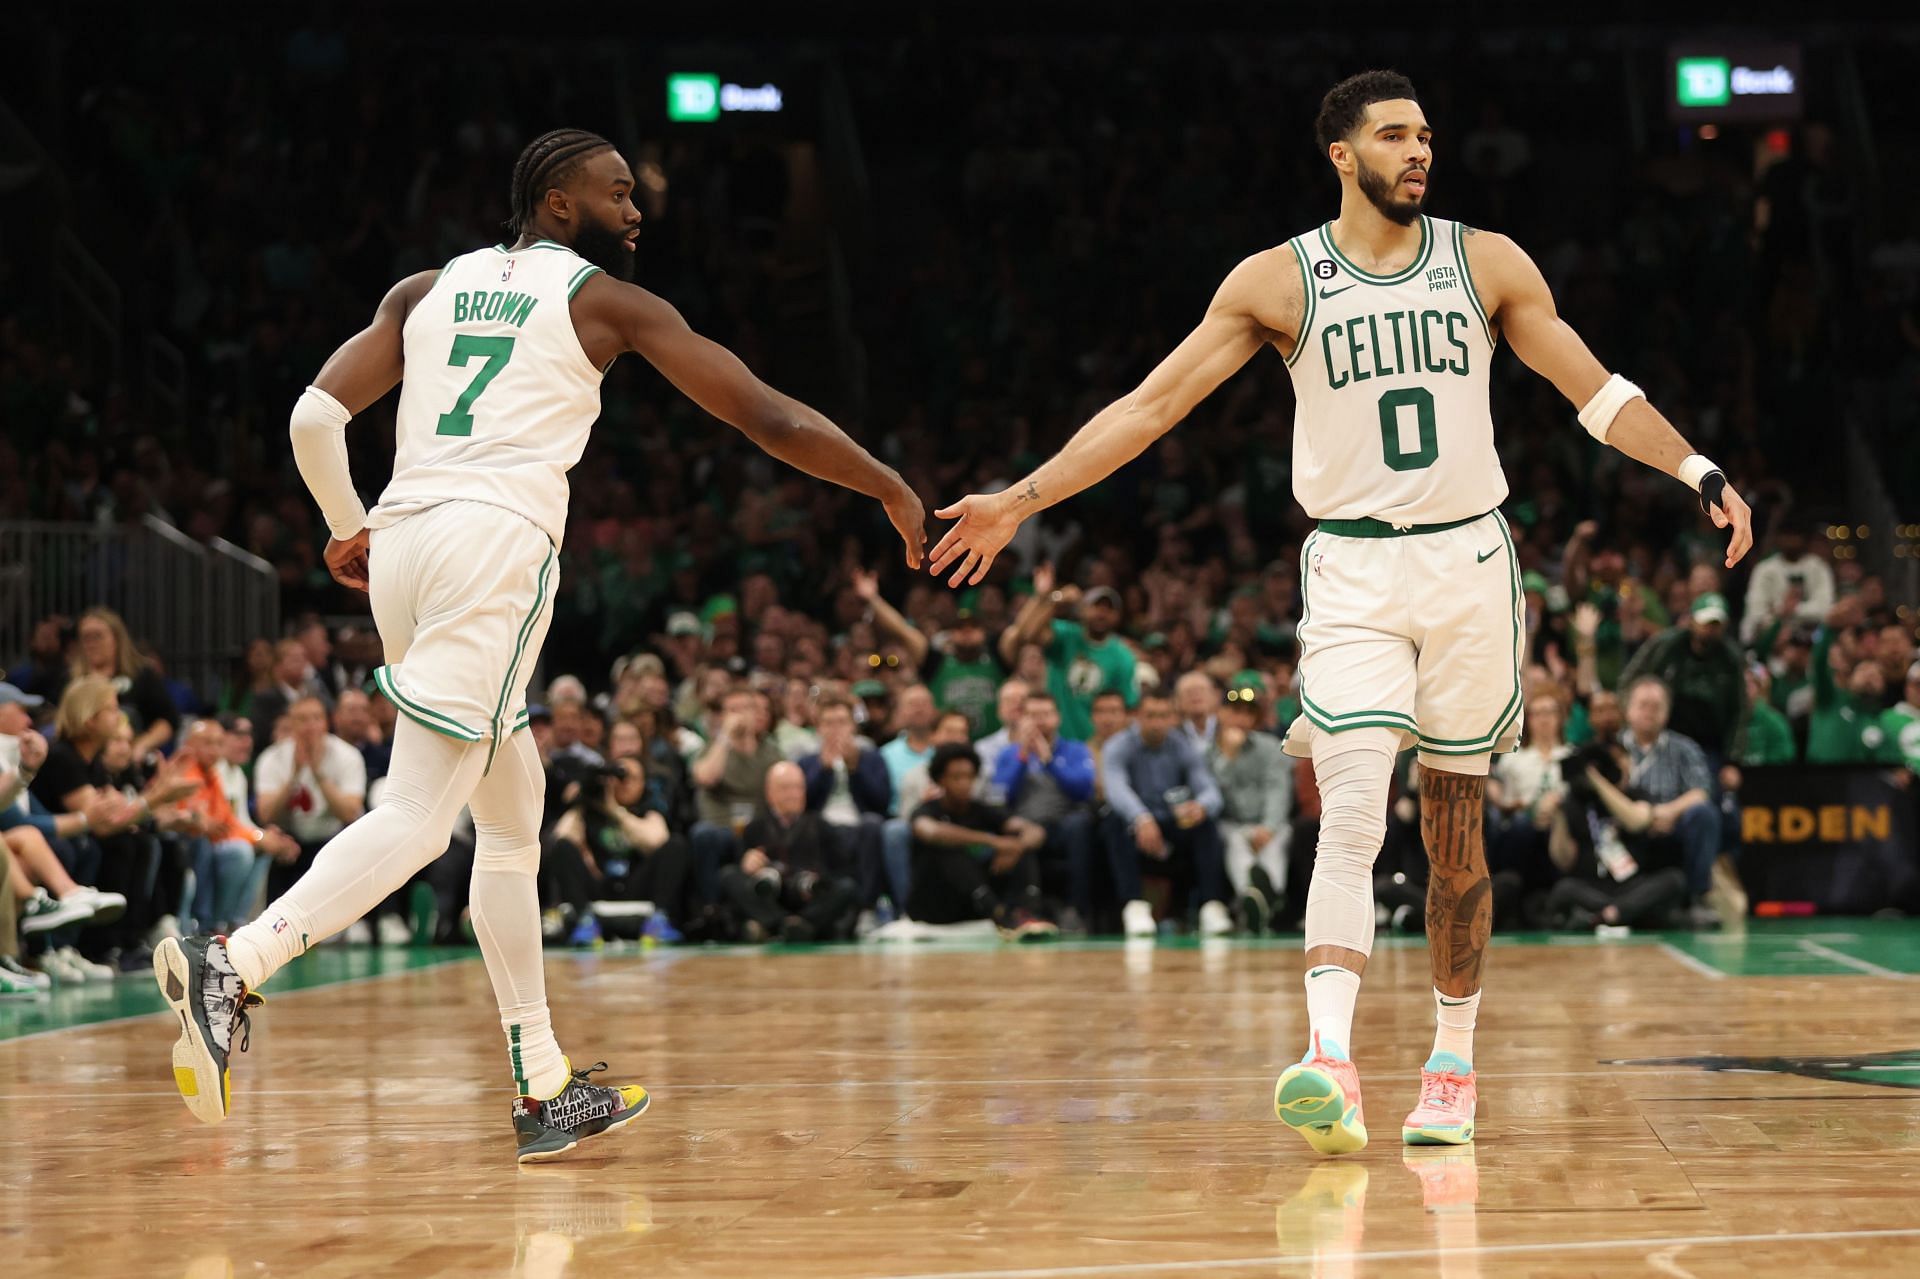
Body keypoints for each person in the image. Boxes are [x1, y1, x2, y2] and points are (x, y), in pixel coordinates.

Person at [925, 69, 1753, 1153]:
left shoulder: (1487, 260)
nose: (1420, 151)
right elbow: (1151, 407)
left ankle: (1452, 1065)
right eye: (1395, 136)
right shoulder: (1278, 282)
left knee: (1456, 841)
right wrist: (1021, 499)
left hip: (1468, 567)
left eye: (1426, 135)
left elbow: (1596, 394)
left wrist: (1695, 467)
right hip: (1353, 572)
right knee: (1353, 813)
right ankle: (1330, 1058)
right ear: (1341, 155)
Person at [154, 128, 926, 1162]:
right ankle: (234, 963)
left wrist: (348, 524)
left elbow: (311, 417)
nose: (638, 207)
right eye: (619, 191)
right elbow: (768, 417)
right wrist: (886, 483)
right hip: (493, 545)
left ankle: (543, 1080)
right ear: (559, 205)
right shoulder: (604, 302)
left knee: (514, 813)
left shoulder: (426, 290)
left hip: (405, 542)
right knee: (421, 813)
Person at [1099, 690, 1232, 938]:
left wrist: (1200, 806)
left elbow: (1209, 790)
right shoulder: (1117, 746)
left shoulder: (1183, 745)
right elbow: (1116, 790)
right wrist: (1141, 817)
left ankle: (1212, 905)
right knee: (1113, 821)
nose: (1157, 723)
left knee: (1207, 824)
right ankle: (1134, 905)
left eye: (1163, 716)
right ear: (1137, 716)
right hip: (1136, 822)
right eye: (1150, 715)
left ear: (1172, 718)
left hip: (1173, 820)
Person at [906, 744, 1056, 940]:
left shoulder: (982, 809)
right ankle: (997, 912)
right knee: (949, 849)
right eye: (957, 777)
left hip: (971, 904)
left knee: (1020, 845)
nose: (965, 783)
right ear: (941, 780)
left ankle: (1026, 912)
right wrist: (992, 841)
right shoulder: (927, 810)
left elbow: (1035, 831)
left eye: (970, 777)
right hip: (935, 903)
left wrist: (1017, 847)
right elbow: (930, 831)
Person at [543, 756, 693, 947]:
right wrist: (583, 801)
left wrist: (615, 810)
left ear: (643, 784)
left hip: (636, 884)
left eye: (631, 778)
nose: (624, 783)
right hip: (599, 885)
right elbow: (559, 838)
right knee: (562, 848)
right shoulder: (590, 809)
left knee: (676, 845)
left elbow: (656, 841)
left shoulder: (647, 809)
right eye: (619, 776)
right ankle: (585, 922)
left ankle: (658, 921)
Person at [173, 719, 299, 935]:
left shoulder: (220, 773)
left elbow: (229, 820)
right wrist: (258, 837)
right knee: (239, 851)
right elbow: (203, 820)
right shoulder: (194, 769)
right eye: (238, 736)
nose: (246, 742)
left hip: (213, 837)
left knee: (258, 850)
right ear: (190, 745)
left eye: (217, 744)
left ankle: (233, 922)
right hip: (188, 838)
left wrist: (262, 836)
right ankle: (209, 923)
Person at [1619, 676, 1724, 927]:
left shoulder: (1684, 748)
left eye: (1656, 707)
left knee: (1703, 814)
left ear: (1667, 713)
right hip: (1624, 826)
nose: (1649, 712)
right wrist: (1639, 818)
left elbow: (1701, 791)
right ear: (1628, 710)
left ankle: (1697, 899)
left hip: (1672, 824)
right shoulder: (1613, 747)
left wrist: (1667, 812)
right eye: (1643, 705)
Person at [854, 569, 1007, 738]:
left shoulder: (998, 659)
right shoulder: (936, 662)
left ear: (984, 632)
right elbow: (903, 631)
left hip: (992, 746)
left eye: (973, 627)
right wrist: (873, 599)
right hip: (945, 745)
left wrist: (1042, 597)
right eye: (960, 628)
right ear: (950, 633)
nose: (967, 633)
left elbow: (1022, 632)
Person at [991, 690, 1098, 932]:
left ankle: (1077, 909)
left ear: (1058, 717)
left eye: (1046, 714)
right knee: (1014, 831)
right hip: (1025, 826)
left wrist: (1049, 761)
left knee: (1080, 825)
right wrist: (1023, 756)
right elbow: (999, 796)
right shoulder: (1009, 754)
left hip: (1062, 825)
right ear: (1022, 719)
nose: (1039, 721)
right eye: (1032, 715)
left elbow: (1083, 790)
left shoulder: (1075, 750)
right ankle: (1024, 912)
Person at [721, 762, 859, 942]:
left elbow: (842, 870)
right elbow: (740, 871)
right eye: (785, 788)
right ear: (769, 792)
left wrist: (819, 880)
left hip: (810, 901)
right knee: (729, 876)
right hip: (771, 899)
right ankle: (783, 925)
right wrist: (747, 863)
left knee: (847, 886)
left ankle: (790, 926)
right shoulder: (754, 828)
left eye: (798, 788)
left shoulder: (820, 825)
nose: (794, 794)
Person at [1618, 593, 1748, 762]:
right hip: (1660, 737)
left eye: (1716, 624)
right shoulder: (1665, 646)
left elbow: (1739, 710)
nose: (1710, 628)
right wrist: (1630, 724)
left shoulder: (1731, 659)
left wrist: (1733, 760)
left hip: (1709, 744)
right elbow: (1630, 680)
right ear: (1691, 620)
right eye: (1706, 622)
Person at [1208, 673, 1292, 934]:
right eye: (1234, 711)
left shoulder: (1271, 747)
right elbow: (1212, 794)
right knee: (1234, 841)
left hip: (1268, 824)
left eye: (1247, 713)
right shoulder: (1207, 753)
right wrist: (1229, 757)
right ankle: (1255, 900)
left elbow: (1278, 790)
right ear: (1221, 713)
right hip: (1231, 823)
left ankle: (1264, 898)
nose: (1241, 719)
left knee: (1277, 843)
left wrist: (1268, 827)